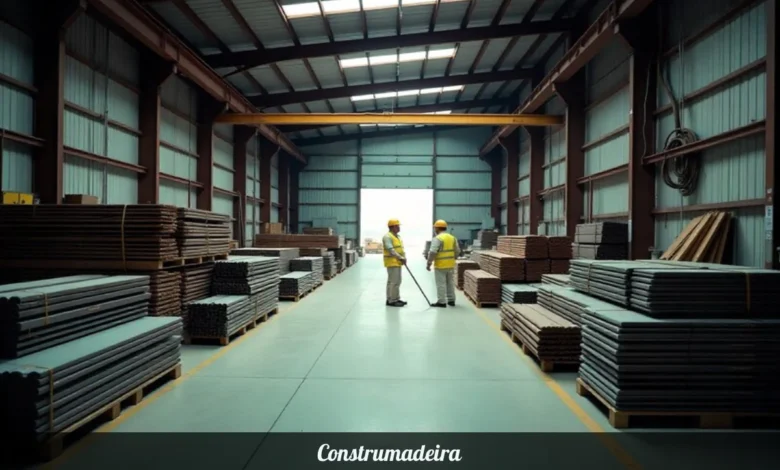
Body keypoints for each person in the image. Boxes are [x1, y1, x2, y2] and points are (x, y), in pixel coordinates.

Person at [426, 220, 460, 308]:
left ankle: (441, 302)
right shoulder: (452, 238)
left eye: (435, 228)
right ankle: (451, 300)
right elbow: (457, 251)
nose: (434, 229)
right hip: (450, 265)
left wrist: (429, 263)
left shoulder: (438, 238)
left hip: (440, 265)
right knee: (450, 283)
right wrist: (453, 258)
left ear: (437, 228)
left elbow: (432, 252)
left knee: (441, 284)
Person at [383, 219, 407, 307]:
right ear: (392, 227)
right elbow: (391, 250)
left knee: (396, 281)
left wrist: (404, 257)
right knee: (394, 282)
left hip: (398, 262)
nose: (399, 227)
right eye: (397, 226)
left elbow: (400, 249)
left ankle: (394, 298)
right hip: (392, 262)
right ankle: (392, 300)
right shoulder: (387, 237)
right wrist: (401, 257)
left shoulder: (397, 236)